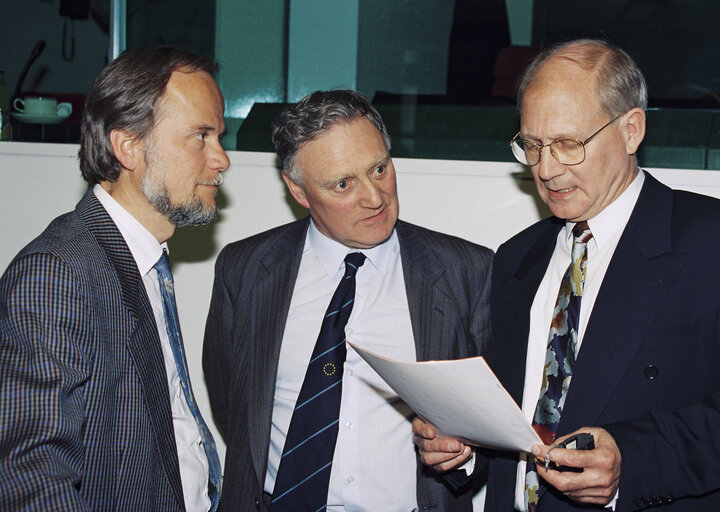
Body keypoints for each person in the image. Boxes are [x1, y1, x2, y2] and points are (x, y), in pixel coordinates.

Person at [413, 39, 720, 511]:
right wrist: (461, 447)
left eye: (568, 144)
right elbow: (512, 418)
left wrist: (632, 462)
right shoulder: (518, 257)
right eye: (532, 146)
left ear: (631, 130)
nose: (547, 168)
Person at [202, 89, 492, 511]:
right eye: (343, 184)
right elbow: (234, 407)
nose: (374, 198)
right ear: (298, 191)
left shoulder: (467, 271)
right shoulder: (244, 269)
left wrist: (464, 453)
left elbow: (493, 424)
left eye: (379, 169)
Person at [0, 46, 229, 511]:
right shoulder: (57, 272)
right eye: (200, 136)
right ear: (129, 146)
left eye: (219, 137)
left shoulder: (142, 257)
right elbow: (30, 474)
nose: (221, 159)